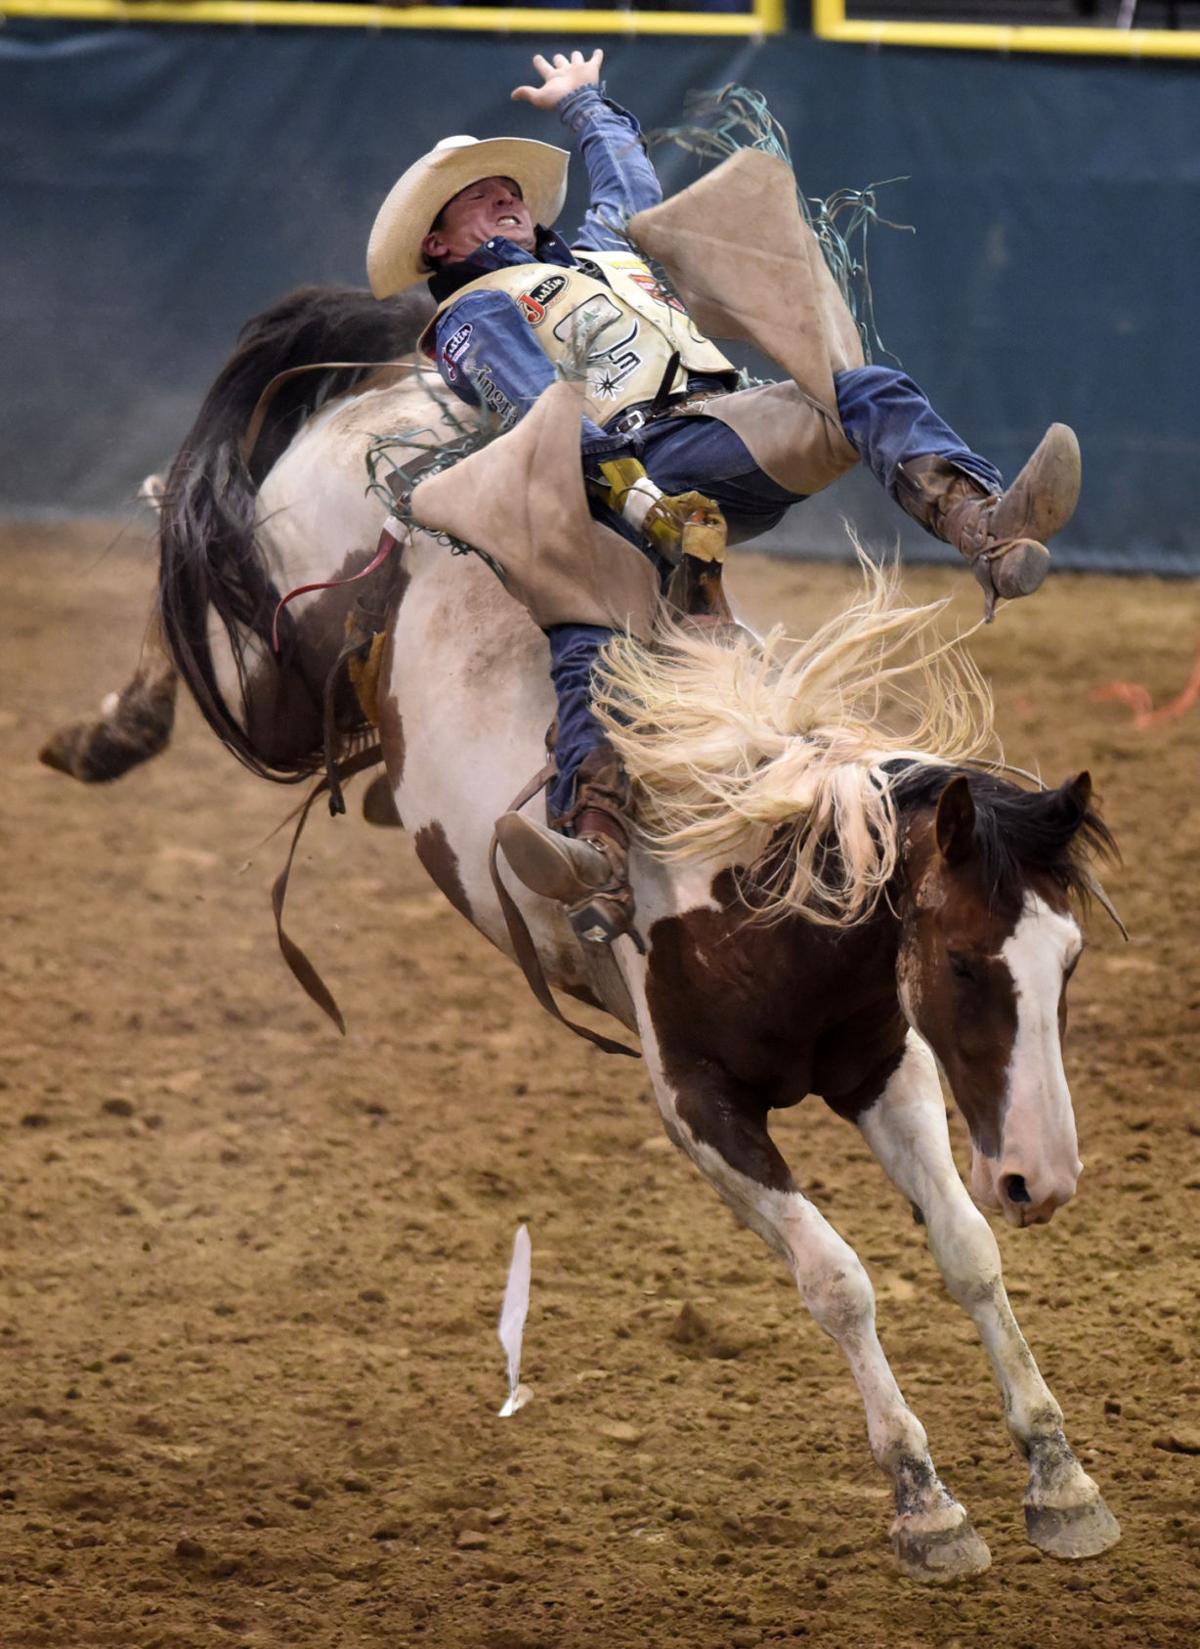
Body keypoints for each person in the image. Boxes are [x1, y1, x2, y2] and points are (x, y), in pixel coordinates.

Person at [366, 49, 1081, 946]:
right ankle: (593, 844)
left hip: (709, 430)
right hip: (609, 479)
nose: (504, 192)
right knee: (591, 636)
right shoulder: (471, 312)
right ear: (438, 243)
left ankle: (982, 522)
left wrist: (586, 104)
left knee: (855, 390)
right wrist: (648, 512)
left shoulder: (599, 250)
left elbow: (630, 186)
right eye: (477, 195)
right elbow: (538, 418)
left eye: (508, 183)